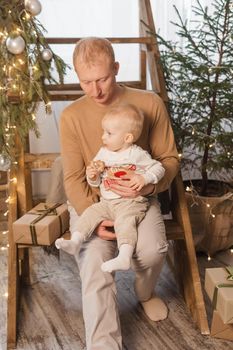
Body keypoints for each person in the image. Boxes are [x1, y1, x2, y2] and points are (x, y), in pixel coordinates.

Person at [59, 37, 179, 350]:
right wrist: (92, 217)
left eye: (102, 79)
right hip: (94, 203)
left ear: (116, 68)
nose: (95, 90)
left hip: (138, 200)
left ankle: (145, 292)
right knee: (95, 262)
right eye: (85, 81)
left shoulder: (149, 103)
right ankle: (102, 345)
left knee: (153, 251)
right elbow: (72, 177)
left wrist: (150, 185)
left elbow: (168, 159)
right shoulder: (71, 116)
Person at [55, 103, 165, 273]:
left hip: (131, 203)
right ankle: (75, 242)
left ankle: (124, 257)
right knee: (89, 213)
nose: (103, 137)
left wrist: (144, 178)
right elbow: (97, 182)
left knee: (125, 222)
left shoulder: (136, 154)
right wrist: (93, 176)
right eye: (103, 132)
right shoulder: (104, 153)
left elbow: (159, 168)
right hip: (107, 202)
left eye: (109, 133)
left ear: (127, 138)